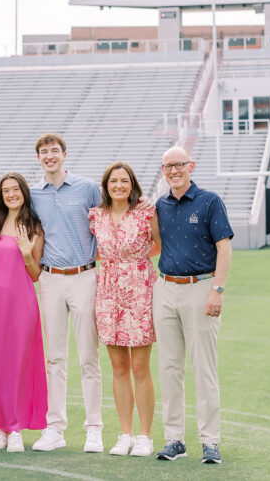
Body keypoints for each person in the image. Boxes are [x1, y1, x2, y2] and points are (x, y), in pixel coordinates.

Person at [153, 146, 232, 465]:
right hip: (166, 288)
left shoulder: (210, 201)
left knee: (204, 368)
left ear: (191, 166)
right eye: (167, 166)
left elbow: (224, 248)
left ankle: (210, 441)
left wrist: (217, 289)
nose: (173, 170)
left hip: (200, 288)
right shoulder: (160, 205)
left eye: (179, 165)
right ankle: (174, 439)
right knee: (169, 368)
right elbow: (154, 245)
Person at [28, 133, 104, 453]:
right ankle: (55, 428)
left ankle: (94, 429)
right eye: (44, 152)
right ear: (38, 158)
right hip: (50, 280)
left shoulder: (87, 189)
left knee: (89, 356)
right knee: (54, 358)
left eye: (54, 151)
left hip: (84, 276)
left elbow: (105, 226)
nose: (50, 156)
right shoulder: (33, 194)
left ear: (64, 154)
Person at [88, 162, 161, 457]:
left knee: (140, 367)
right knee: (118, 367)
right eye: (113, 181)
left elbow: (159, 243)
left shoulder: (146, 211)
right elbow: (93, 249)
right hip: (107, 292)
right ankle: (125, 434)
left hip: (140, 289)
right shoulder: (96, 215)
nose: (119, 185)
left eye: (124, 181)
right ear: (106, 185)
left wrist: (137, 261)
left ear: (133, 185)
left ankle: (145, 436)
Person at [0, 172, 47, 453]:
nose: (11, 194)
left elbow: (36, 274)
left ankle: (16, 428)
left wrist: (27, 252)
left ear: (23, 192)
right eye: (5, 190)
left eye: (15, 189)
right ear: (0, 195)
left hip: (21, 305)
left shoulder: (34, 227)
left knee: (18, 364)